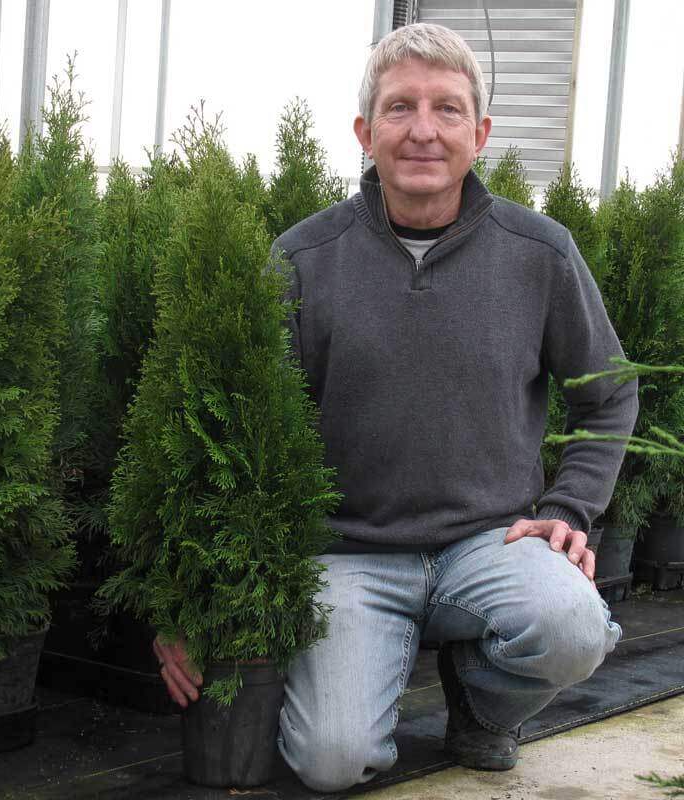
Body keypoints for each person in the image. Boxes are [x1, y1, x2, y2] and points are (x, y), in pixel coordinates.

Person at [153, 22, 639, 792]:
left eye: (447, 110)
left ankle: (482, 701)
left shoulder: (540, 253)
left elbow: (609, 392)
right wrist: (192, 596)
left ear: (478, 135)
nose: (423, 130)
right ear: (364, 131)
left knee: (574, 627)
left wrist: (571, 511)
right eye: (400, 107)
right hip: (348, 556)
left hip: (492, 542)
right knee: (329, 764)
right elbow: (230, 435)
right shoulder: (303, 259)